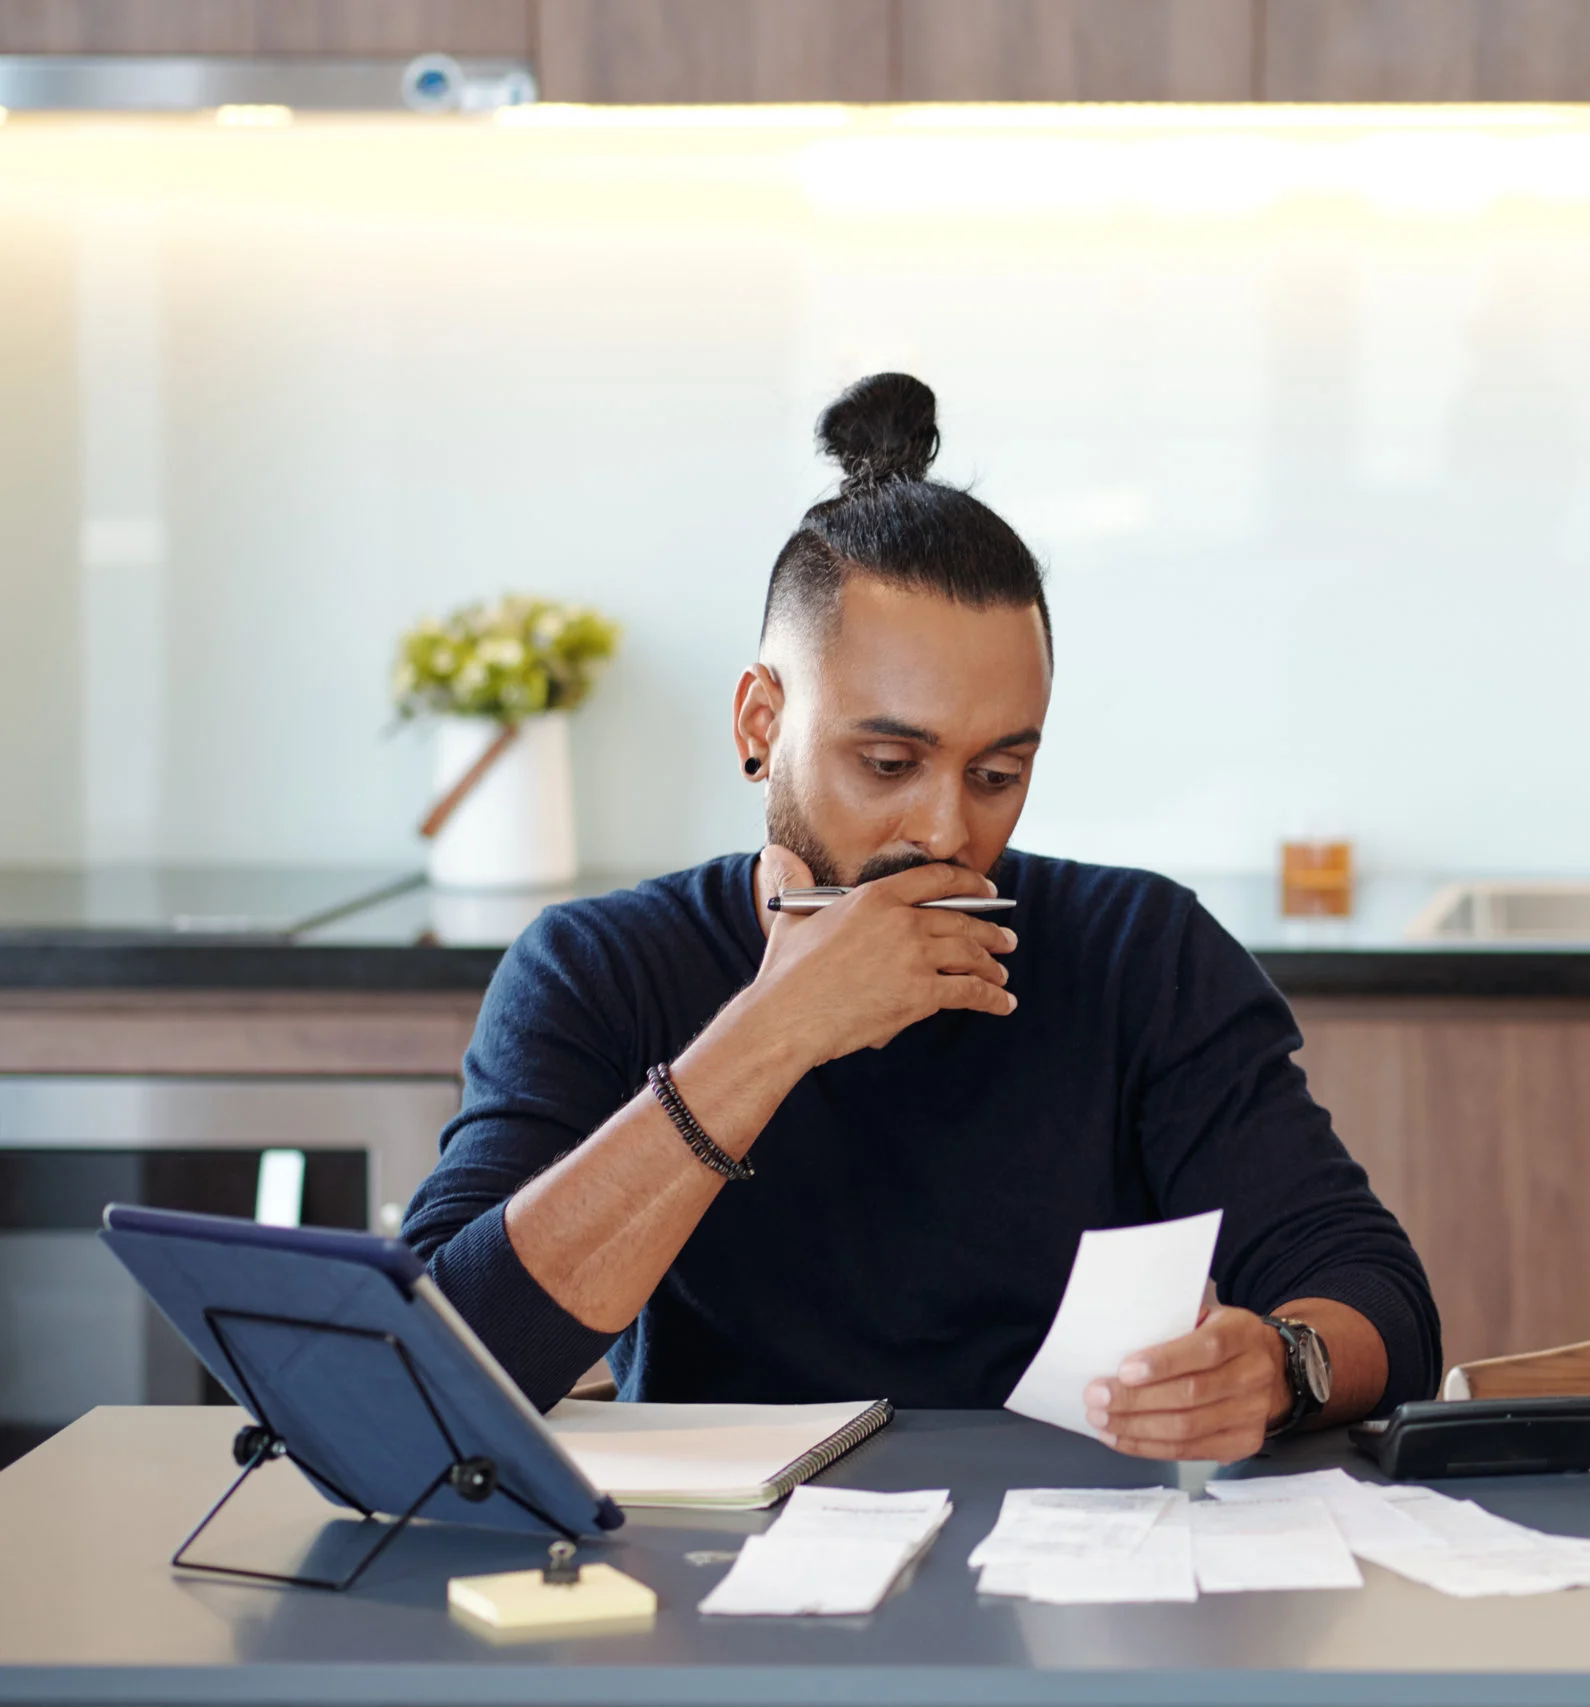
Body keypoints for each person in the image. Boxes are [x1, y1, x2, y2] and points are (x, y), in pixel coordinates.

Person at [403, 373, 1438, 1464]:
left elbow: (1379, 1300)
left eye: (996, 773)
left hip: (1074, 1572)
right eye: (888, 762)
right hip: (712, 1579)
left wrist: (1279, 1368)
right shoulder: (597, 970)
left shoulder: (1142, 955)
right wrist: (775, 1031)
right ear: (761, 722)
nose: (946, 829)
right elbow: (440, 1360)